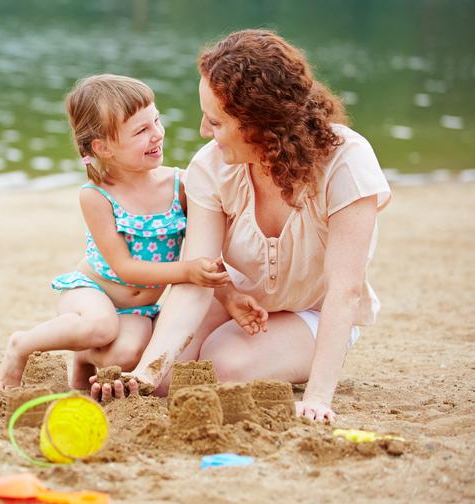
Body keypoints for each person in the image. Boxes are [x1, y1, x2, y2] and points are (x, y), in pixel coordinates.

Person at [92, 30, 392, 424]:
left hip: (314, 312)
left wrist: (318, 398)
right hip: (237, 303)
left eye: (215, 121)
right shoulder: (211, 166)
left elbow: (345, 290)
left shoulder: (346, 162)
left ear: (258, 123)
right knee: (169, 380)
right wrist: (147, 373)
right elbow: (198, 278)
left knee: (223, 363)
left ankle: (295, 362)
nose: (203, 130)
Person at [0, 74, 262, 390]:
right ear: (103, 147)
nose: (157, 135)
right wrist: (187, 272)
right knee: (100, 325)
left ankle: (85, 358)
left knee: (130, 353)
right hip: (93, 292)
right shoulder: (97, 195)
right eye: (141, 131)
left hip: (139, 309)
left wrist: (228, 294)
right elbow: (125, 268)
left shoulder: (181, 186)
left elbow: (202, 256)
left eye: (156, 121)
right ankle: (21, 344)